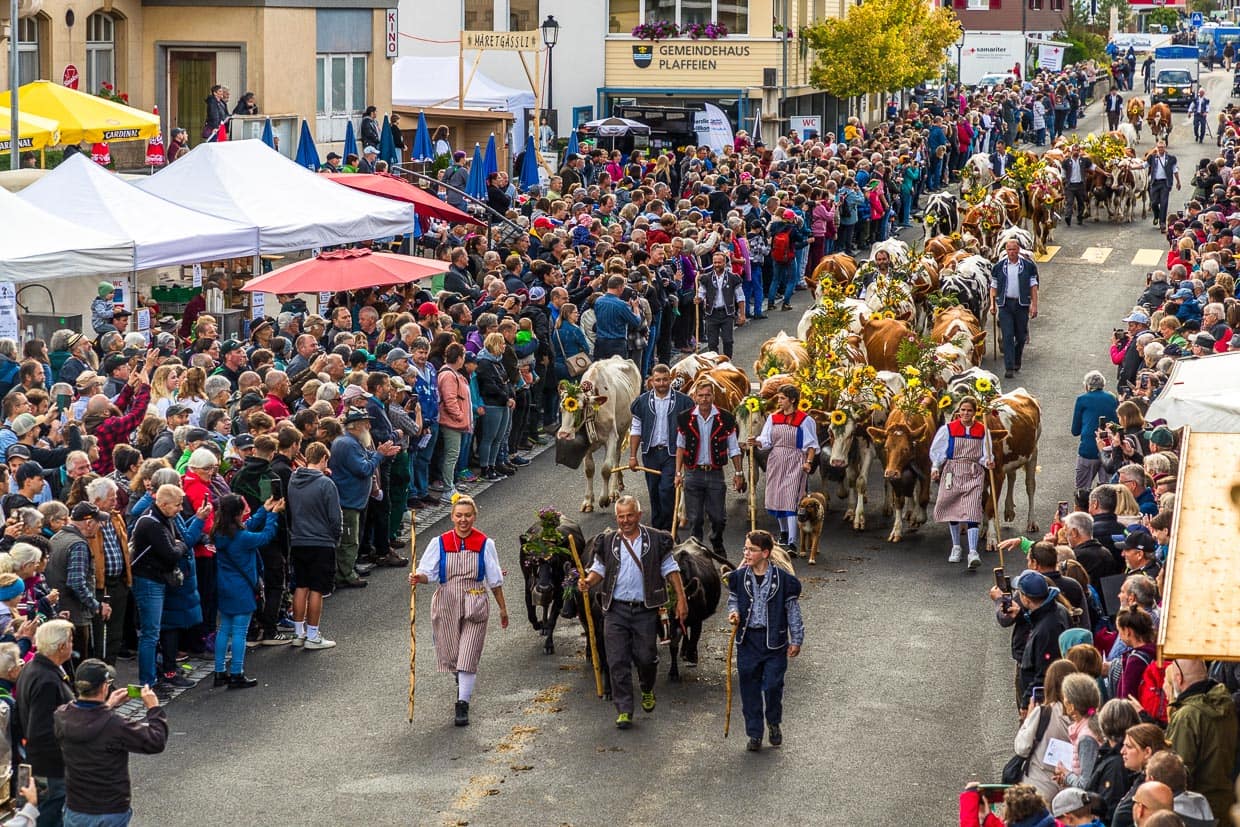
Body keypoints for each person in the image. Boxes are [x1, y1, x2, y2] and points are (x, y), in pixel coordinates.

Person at [577, 495, 687, 730]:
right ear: (616, 517)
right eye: (620, 516)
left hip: (645, 610)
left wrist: (681, 600)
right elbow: (599, 569)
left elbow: (670, 568)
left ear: (639, 515)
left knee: (646, 657)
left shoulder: (657, 540)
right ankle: (624, 708)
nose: (625, 520)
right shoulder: (606, 541)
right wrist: (588, 581)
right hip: (615, 610)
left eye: (629, 515)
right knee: (617, 660)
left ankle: (646, 687)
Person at [408, 495, 507, 727]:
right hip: (446, 602)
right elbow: (428, 573)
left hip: (475, 601)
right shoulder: (439, 543)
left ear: (475, 517)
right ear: (452, 517)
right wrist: (417, 578)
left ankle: (462, 703)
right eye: (459, 515)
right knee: (452, 654)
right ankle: (461, 676)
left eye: (468, 515)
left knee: (468, 654)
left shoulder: (485, 543)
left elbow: (494, 579)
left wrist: (503, 609)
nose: (463, 520)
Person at [53, 658, 168, 826]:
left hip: (75, 808)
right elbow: (156, 741)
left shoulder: (61, 716)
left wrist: (108, 705)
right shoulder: (114, 725)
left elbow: (88, 718)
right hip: (109, 809)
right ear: (105, 687)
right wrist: (154, 708)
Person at [726, 529, 803, 752]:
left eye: (752, 549)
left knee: (772, 686)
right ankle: (755, 733)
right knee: (749, 688)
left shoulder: (784, 581)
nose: (746, 553)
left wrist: (796, 639)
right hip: (748, 640)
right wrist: (733, 612)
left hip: (774, 642)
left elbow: (793, 611)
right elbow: (733, 600)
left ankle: (773, 721)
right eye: (745, 548)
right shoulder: (739, 577)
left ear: (766, 553)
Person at [212, 493, 283, 690]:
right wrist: (273, 515)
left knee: (224, 629)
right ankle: (236, 673)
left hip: (225, 585)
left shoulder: (220, 531)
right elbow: (265, 536)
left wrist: (264, 510)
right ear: (237, 513)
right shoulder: (241, 537)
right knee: (240, 633)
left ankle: (219, 672)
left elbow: (248, 526)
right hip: (242, 588)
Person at [674, 382, 743, 566]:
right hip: (693, 473)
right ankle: (696, 550)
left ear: (713, 396)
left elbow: (734, 448)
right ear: (695, 397)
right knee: (694, 518)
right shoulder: (685, 418)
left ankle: (716, 540)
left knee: (718, 517)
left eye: (708, 395)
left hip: (715, 473)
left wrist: (738, 472)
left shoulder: (726, 419)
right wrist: (677, 472)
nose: (704, 399)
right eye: (701, 395)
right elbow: (680, 446)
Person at [329, 409, 398, 589]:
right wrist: (380, 454)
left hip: (354, 499)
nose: (369, 426)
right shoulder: (347, 444)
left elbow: (366, 459)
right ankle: (346, 574)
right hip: (348, 500)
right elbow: (364, 469)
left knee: (353, 538)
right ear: (356, 426)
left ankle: (348, 570)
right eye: (366, 422)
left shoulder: (353, 442)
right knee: (349, 540)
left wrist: (381, 455)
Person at [16, 619, 75, 827]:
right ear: (61, 646)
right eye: (71, 641)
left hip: (39, 765)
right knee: (49, 818)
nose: (72, 645)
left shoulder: (33, 667)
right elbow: (41, 731)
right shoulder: (47, 679)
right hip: (50, 769)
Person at [1164, 658, 1238, 818]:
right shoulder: (1227, 705)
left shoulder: (1187, 716)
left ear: (1179, 678)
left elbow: (1178, 772)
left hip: (1197, 811)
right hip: (1225, 804)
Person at [748, 385, 817, 553]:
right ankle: (784, 533)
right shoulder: (773, 418)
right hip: (776, 460)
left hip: (795, 461)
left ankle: (793, 541)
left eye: (782, 398)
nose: (778, 402)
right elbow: (767, 441)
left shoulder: (805, 420)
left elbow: (812, 445)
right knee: (777, 497)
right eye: (778, 398)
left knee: (791, 499)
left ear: (792, 400)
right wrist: (756, 441)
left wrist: (808, 462)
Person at [287, 441, 341, 650]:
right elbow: (335, 518)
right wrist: (334, 538)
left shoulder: (294, 479)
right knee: (317, 589)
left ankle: (298, 632)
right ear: (324, 459)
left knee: (301, 586)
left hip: (298, 540)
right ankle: (313, 635)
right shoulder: (326, 484)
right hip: (321, 542)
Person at [929, 396, 994, 569]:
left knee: (973, 509)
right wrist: (935, 467)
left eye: (969, 410)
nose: (966, 413)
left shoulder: (982, 431)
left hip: (973, 473)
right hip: (952, 471)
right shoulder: (948, 429)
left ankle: (973, 552)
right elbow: (938, 451)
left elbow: (986, 454)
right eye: (963, 410)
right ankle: (956, 546)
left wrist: (988, 461)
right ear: (958, 411)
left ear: (975, 412)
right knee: (952, 508)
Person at [628, 364, 693, 532]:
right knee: (654, 492)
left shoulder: (684, 401)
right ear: (651, 381)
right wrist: (633, 456)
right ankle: (657, 530)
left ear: (670, 380)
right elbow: (635, 429)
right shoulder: (641, 402)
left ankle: (668, 530)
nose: (662, 383)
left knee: (666, 490)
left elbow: (691, 430)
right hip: (650, 453)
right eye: (658, 380)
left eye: (665, 379)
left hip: (672, 453)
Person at [45, 503, 108, 665]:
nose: (99, 526)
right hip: (76, 616)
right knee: (79, 667)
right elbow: (76, 582)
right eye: (97, 522)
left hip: (58, 612)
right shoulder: (78, 545)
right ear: (88, 523)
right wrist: (96, 606)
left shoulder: (57, 537)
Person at [1013, 569, 1070, 710]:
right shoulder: (1057, 609)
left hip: (1042, 703)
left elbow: (1044, 672)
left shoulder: (1047, 629)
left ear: (1025, 599)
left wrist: (1027, 704)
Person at [990, 237, 1039, 380]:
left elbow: (1033, 287)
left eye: (1013, 249)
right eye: (1009, 249)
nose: (1011, 252)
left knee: (1021, 336)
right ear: (1006, 250)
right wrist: (993, 304)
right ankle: (1009, 367)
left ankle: (1017, 359)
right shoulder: (998, 267)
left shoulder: (1028, 266)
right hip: (1005, 305)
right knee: (1007, 335)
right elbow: (993, 286)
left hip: (1021, 304)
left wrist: (1034, 305)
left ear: (1018, 250)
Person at [1070, 371, 1119, 489]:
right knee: (1108, 491)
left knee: (1081, 490)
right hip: (1109, 449)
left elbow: (1075, 430)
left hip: (1089, 449)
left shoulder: (1082, 399)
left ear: (1087, 386)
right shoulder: (1112, 398)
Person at [695, 251, 746, 359]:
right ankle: (715, 363)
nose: (717, 265)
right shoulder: (706, 278)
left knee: (728, 341)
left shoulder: (733, 278)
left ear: (725, 263)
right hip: (711, 314)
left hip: (727, 313)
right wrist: (698, 298)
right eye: (715, 262)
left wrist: (742, 314)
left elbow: (740, 297)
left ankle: (727, 361)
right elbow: (701, 292)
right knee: (712, 343)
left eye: (719, 262)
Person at [1146, 142, 1180, 234]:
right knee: (1154, 203)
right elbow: (1144, 165)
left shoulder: (1171, 158)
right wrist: (1132, 167)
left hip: (1165, 183)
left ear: (1165, 148)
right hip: (1155, 182)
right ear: (1156, 148)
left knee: (1164, 203)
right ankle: (1157, 215)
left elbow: (1175, 170)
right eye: (1159, 147)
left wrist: (1178, 181)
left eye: (1162, 147)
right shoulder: (1152, 158)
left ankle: (1162, 223)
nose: (1160, 149)